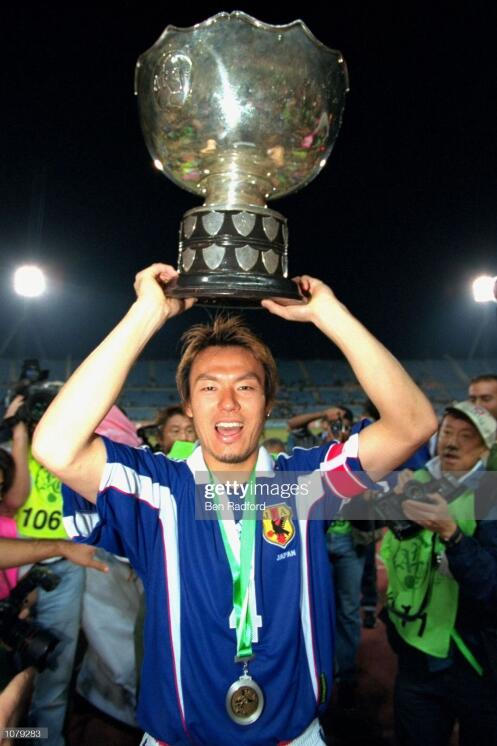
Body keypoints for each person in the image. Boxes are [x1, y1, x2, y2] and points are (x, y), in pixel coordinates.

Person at [32, 264, 436, 746]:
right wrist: (146, 314)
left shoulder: (301, 484)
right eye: (208, 387)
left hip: (294, 736)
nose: (227, 403)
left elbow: (413, 423)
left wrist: (330, 314)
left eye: (245, 387)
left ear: (268, 403)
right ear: (188, 405)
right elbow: (55, 447)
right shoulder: (158, 490)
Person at [381, 401, 497, 745]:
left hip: (474, 657)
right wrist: (389, 503)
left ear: (485, 448)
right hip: (415, 651)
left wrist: (452, 534)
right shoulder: (417, 480)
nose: (452, 443)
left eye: (466, 436)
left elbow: (491, 586)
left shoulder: (490, 495)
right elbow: (381, 535)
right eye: (447, 433)